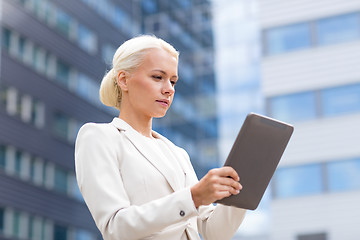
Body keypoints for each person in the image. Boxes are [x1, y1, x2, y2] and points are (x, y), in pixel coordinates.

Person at [75, 35, 246, 240]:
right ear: (123, 79)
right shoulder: (99, 137)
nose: (169, 89)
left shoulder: (177, 154)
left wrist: (244, 186)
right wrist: (194, 197)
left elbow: (213, 232)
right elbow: (115, 226)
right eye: (158, 77)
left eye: (173, 81)